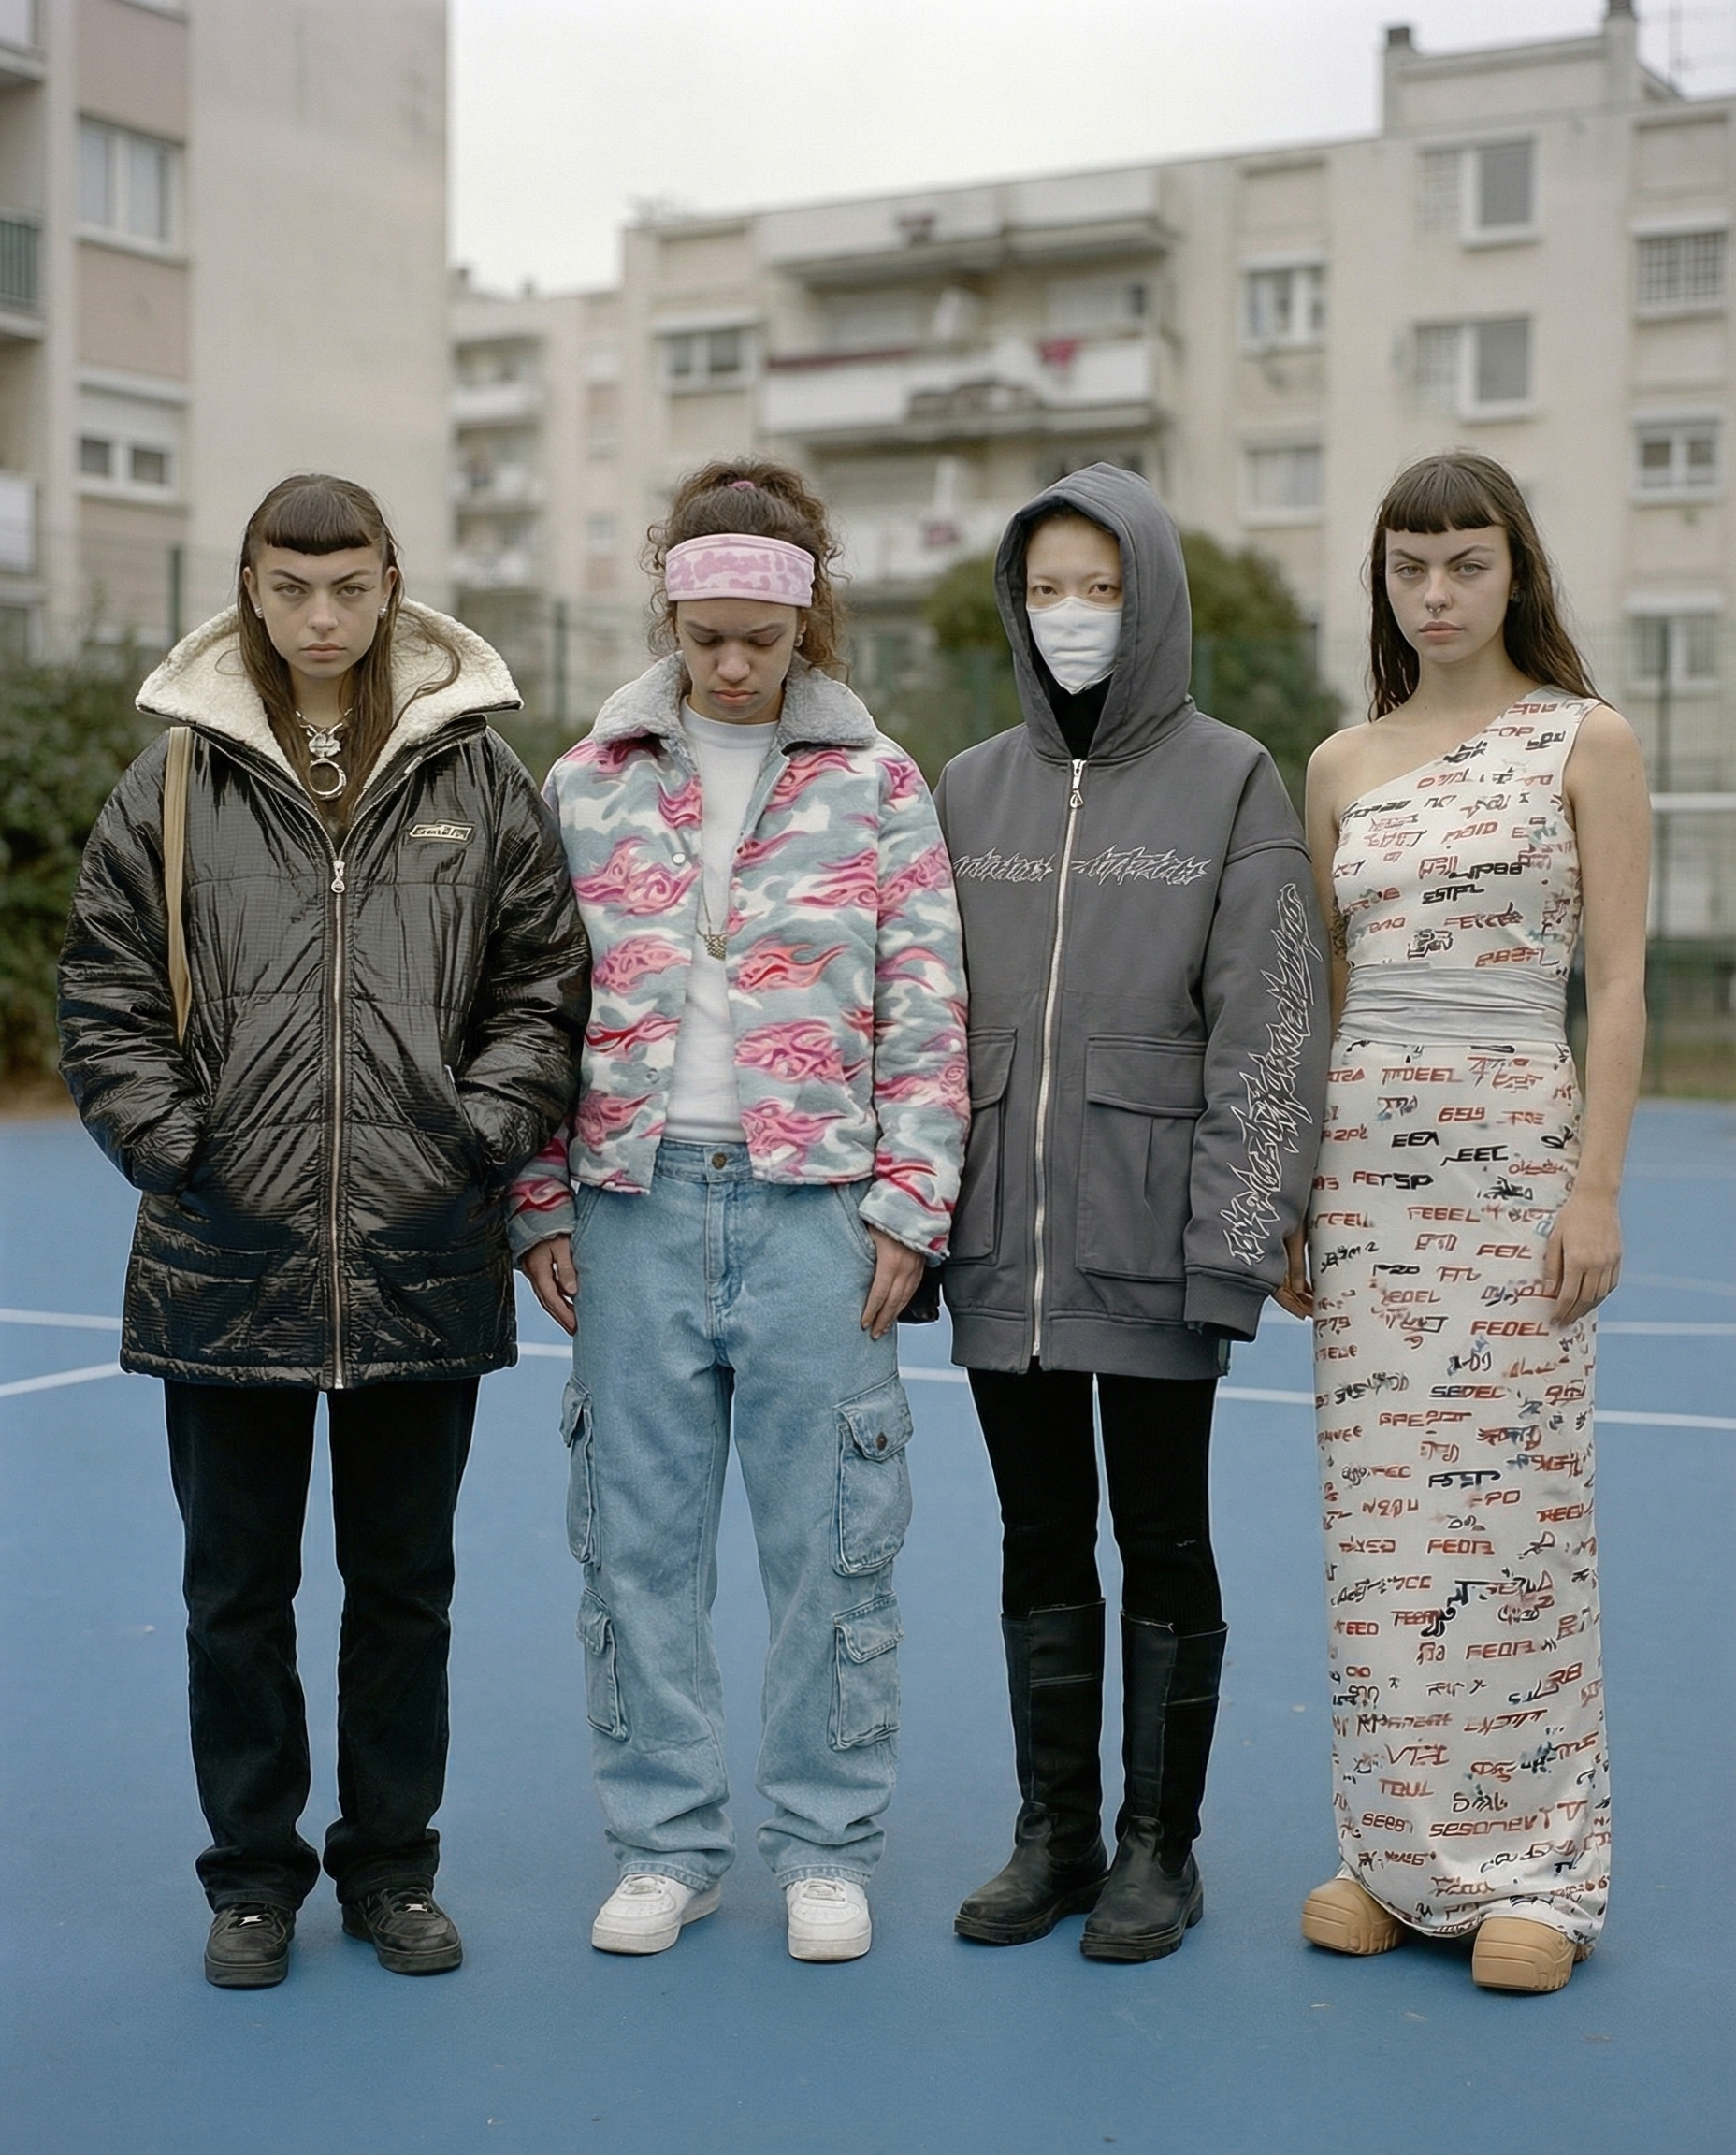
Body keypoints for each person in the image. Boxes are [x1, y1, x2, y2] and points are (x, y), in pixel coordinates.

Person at [57, 474, 590, 1989]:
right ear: (249, 587)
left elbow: (543, 980)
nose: (321, 617)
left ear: (390, 583)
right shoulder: (171, 780)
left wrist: (474, 1136)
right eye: (291, 589)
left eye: (349, 587)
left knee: (404, 1593)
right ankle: (251, 1880)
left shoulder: (478, 775)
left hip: (423, 1247)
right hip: (226, 1252)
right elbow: (104, 990)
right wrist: (177, 1147)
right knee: (235, 1597)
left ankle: (392, 1869)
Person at [511, 460, 967, 1964]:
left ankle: (826, 1847)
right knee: (633, 1550)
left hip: (814, 1215)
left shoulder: (881, 786)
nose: (728, 666)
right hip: (629, 1208)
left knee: (835, 1544)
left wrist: (909, 1205)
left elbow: (928, 1011)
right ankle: (666, 1844)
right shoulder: (585, 781)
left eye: (759, 641)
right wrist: (536, 1201)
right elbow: (530, 1006)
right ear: (671, 616)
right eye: (703, 636)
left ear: (806, 626)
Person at [935, 464, 1329, 1961]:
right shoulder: (967, 787)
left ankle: (1162, 1846)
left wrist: (1236, 1243)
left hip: (1158, 1247)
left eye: (1101, 587)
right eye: (1046, 588)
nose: (1072, 614)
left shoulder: (1233, 779)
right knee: (1037, 1537)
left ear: (1149, 596)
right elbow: (920, 1020)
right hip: (1004, 1250)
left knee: (1164, 1538)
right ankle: (1056, 1835)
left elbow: (1271, 1032)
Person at [1280, 450, 1648, 1993]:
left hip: (1518, 1165)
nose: (1436, 594)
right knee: (1380, 1529)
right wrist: (1294, 1192)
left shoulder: (1587, 739)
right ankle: (1396, 1859)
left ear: (1516, 572)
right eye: (1409, 567)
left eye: (1467, 564)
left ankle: (1539, 1875)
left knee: (1516, 1521)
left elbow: (1616, 985)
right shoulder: (1338, 764)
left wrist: (1595, 1185)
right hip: (1366, 1176)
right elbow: (1322, 991)